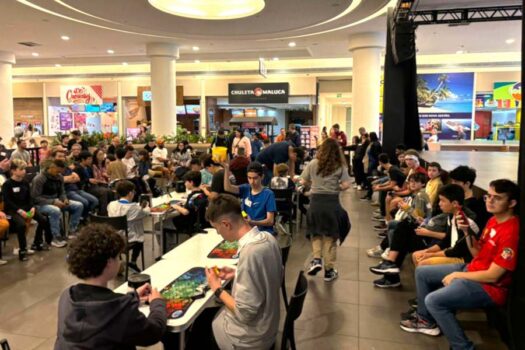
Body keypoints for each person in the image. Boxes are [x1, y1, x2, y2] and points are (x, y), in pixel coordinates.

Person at [400, 179, 519, 350]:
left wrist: (458, 275)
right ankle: (425, 320)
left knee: (434, 300)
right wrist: (466, 232)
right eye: (488, 196)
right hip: (473, 269)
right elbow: (477, 254)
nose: (490, 201)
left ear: (512, 203)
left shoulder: (511, 232)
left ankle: (462, 346)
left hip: (489, 287)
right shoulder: (493, 221)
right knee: (422, 272)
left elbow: (494, 275)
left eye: (497, 198)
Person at [55, 224, 166, 349]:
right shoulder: (121, 310)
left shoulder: (67, 296)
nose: (120, 261)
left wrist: (132, 297)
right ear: (109, 262)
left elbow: (103, 308)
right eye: (118, 257)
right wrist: (157, 303)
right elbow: (153, 333)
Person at [202, 194, 282, 349]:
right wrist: (237, 272)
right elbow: (270, 277)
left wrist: (217, 289)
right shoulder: (268, 238)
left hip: (250, 338)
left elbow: (244, 313)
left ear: (226, 224)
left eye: (217, 228)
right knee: (205, 318)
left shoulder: (250, 253)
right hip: (269, 324)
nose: (219, 234)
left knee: (194, 332)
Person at [369, 173, 434, 288]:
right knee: (396, 228)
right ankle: (389, 262)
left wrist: (406, 208)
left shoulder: (420, 195)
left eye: (416, 182)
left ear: (423, 184)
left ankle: (389, 259)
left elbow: (419, 217)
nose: (412, 184)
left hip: (420, 232)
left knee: (397, 228)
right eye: (411, 181)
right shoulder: (418, 194)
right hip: (416, 229)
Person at [301, 138, 351, 282]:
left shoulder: (313, 163)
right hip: (332, 204)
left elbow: (303, 181)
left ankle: (317, 260)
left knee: (315, 233)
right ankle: (329, 271)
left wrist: (315, 184)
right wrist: (336, 187)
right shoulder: (339, 165)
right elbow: (346, 184)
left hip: (315, 204)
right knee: (330, 237)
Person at [2, 160, 52, 260]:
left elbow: (30, 198)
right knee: (21, 225)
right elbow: (7, 201)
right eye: (21, 169)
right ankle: (22, 250)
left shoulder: (25, 182)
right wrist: (20, 211)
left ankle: (37, 243)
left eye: (24, 169)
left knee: (43, 219)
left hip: (26, 207)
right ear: (13, 171)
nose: (24, 171)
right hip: (13, 210)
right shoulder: (7, 184)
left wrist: (32, 207)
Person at [31, 159, 84, 247]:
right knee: (55, 210)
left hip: (57, 200)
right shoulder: (39, 179)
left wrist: (64, 199)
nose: (59, 173)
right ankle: (55, 237)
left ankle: (71, 230)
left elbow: (62, 191)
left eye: (61, 171)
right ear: (51, 168)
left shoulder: (59, 177)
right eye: (58, 171)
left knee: (78, 205)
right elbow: (35, 198)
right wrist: (53, 202)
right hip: (41, 204)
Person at [223, 161, 277, 235]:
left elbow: (270, 221)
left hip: (263, 233)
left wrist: (252, 222)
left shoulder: (268, 194)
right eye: (249, 178)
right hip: (247, 231)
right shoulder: (245, 188)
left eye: (255, 178)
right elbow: (227, 188)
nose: (252, 182)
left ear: (262, 177)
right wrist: (226, 168)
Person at [108, 180, 150, 273]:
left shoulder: (111, 204)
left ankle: (119, 261)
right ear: (130, 193)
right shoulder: (133, 207)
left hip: (114, 237)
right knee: (139, 236)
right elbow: (145, 213)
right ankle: (133, 261)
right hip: (128, 239)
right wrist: (146, 207)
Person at [449, 165, 490, 230]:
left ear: (467, 184)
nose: (452, 184)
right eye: (452, 181)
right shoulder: (456, 200)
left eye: (456, 181)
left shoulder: (475, 207)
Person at [65, 152, 100, 221]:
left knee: (95, 201)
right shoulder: (77, 168)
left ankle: (85, 216)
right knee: (85, 202)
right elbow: (77, 180)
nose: (91, 161)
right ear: (83, 160)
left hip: (78, 189)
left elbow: (77, 178)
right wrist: (88, 180)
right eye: (89, 159)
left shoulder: (88, 167)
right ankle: (83, 218)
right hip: (72, 189)